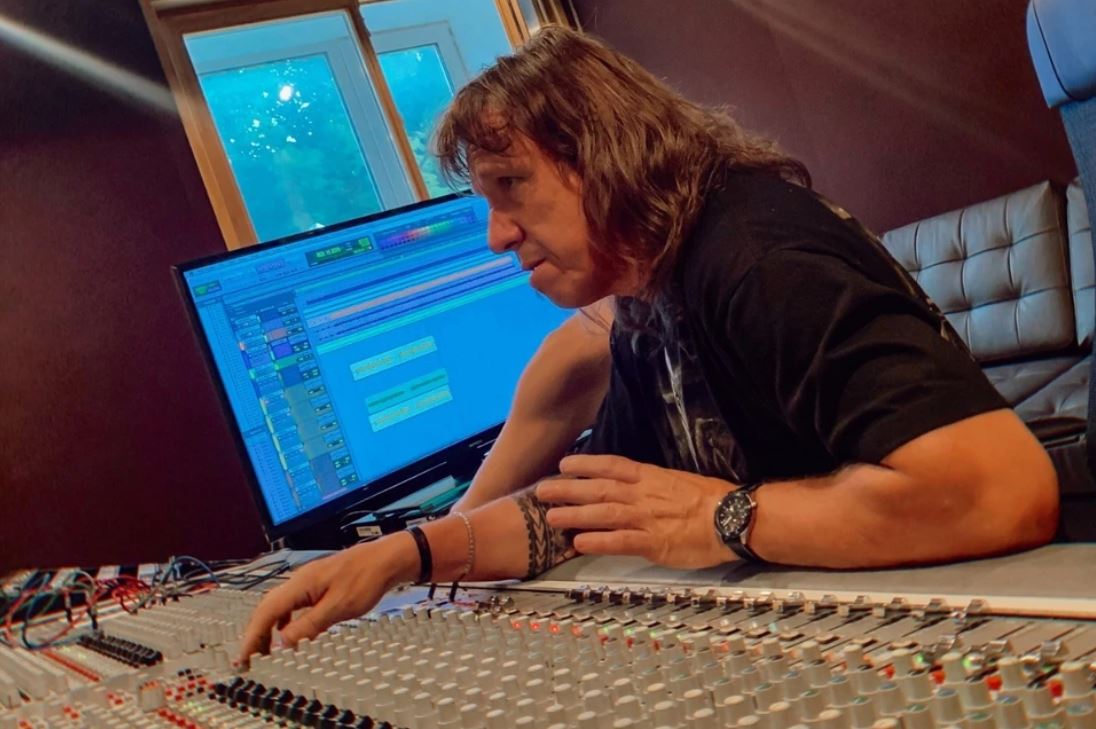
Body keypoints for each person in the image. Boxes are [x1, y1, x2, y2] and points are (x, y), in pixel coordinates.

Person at [238, 26, 1058, 661]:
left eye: (510, 186)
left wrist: (724, 517)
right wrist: (401, 556)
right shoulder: (646, 297)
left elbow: (1004, 491)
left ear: (603, 156)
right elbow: (582, 514)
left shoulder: (757, 260)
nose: (495, 235)